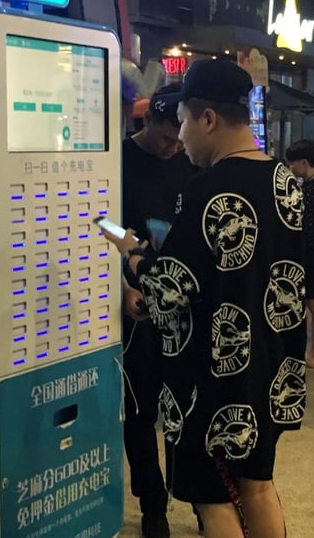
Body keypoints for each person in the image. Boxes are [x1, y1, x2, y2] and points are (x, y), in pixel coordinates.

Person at [104, 59, 305, 538]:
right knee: (257, 487)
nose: (181, 136)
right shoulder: (285, 183)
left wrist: (130, 252)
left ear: (208, 119)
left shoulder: (209, 188)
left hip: (212, 380)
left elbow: (167, 288)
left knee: (212, 500)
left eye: (184, 122)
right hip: (270, 369)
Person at [120, 84, 196, 538]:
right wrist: (122, 284)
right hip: (138, 304)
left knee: (186, 408)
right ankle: (153, 505)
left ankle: (198, 496)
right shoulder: (119, 161)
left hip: (182, 306)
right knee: (140, 410)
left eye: (178, 140)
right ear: (147, 121)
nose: (173, 148)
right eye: (167, 138)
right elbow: (99, 221)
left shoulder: (188, 163)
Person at [286, 140, 314, 368]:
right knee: (311, 302)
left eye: (292, 163)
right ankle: (310, 351)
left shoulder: (311, 191)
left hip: (311, 252)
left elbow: (306, 227)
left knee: (313, 302)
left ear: (304, 162)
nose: (290, 167)